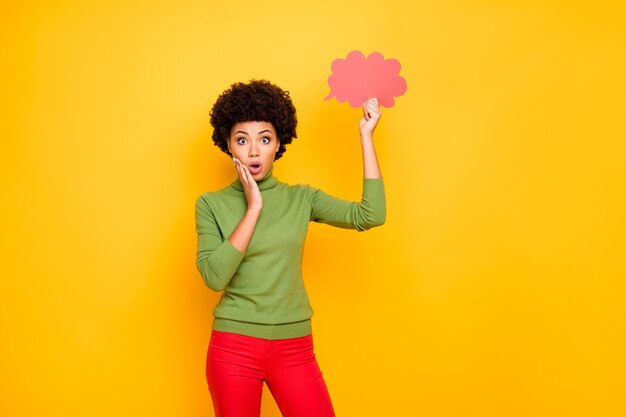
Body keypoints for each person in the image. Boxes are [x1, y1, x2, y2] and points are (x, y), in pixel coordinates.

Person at [195, 79, 386, 417]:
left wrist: (366, 136)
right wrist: (253, 207)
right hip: (233, 348)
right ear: (228, 144)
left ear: (278, 142)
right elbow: (214, 276)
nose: (254, 151)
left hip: (294, 348)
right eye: (242, 140)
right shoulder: (211, 204)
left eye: (264, 139)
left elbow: (370, 215)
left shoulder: (302, 198)